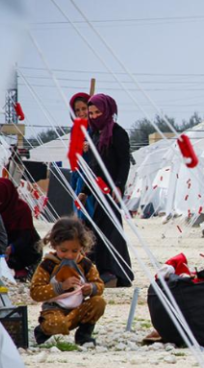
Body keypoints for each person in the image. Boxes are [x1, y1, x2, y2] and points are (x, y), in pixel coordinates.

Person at [78, 93, 134, 287]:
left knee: (110, 231)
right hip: (98, 190)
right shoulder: (94, 134)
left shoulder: (118, 133)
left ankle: (113, 272)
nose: (94, 116)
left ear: (108, 111)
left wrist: (118, 186)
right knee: (97, 230)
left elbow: (124, 162)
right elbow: (95, 167)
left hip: (112, 191)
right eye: (91, 113)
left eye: (97, 112)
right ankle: (104, 271)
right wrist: (85, 190)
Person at [29, 217, 105, 346]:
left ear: (82, 247)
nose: (69, 255)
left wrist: (91, 288)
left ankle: (83, 335)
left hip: (78, 308)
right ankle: (43, 330)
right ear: (55, 245)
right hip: (53, 310)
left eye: (75, 251)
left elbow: (99, 285)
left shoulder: (85, 264)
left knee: (98, 302)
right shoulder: (48, 265)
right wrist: (61, 287)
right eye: (64, 250)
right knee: (57, 324)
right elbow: (35, 292)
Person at [0, 178, 42, 280]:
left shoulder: (22, 209)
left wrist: (11, 248)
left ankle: (22, 269)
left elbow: (26, 236)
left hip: (25, 247)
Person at [68, 92, 95, 219]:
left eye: (84, 108)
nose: (81, 113)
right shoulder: (75, 129)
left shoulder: (95, 127)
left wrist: (90, 145)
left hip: (91, 172)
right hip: (78, 170)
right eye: (77, 110)